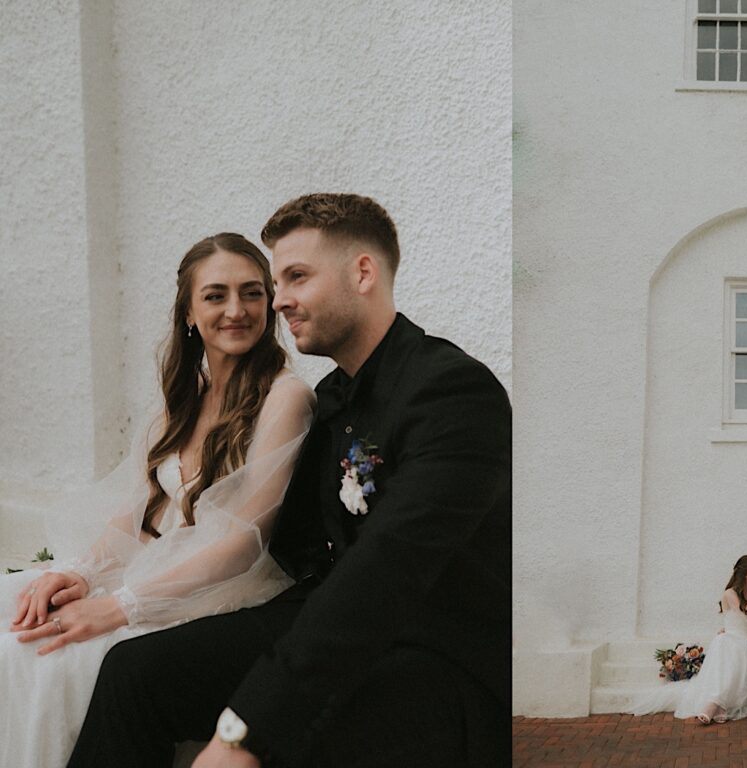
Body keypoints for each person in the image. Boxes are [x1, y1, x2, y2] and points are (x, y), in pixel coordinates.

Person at [67, 193, 512, 768]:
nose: (278, 302)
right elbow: (280, 540)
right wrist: (130, 582)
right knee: (137, 671)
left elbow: (381, 578)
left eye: (296, 278)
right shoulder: (332, 399)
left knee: (303, 738)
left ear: (363, 272)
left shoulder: (452, 392)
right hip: (336, 625)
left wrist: (244, 733)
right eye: (277, 283)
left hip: (437, 655)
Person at [0, 233, 315, 768]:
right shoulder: (186, 395)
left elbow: (244, 543)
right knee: (13, 614)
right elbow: (138, 514)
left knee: (55, 657)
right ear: (189, 312)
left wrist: (119, 607)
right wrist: (79, 573)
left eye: (252, 293)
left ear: (270, 303)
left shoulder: (285, 397)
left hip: (221, 592)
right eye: (215, 295)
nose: (236, 310)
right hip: (154, 568)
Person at [630, 555, 747, 723]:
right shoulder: (730, 593)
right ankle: (714, 703)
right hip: (732, 638)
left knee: (736, 650)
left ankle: (717, 704)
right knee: (725, 645)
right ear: (746, 574)